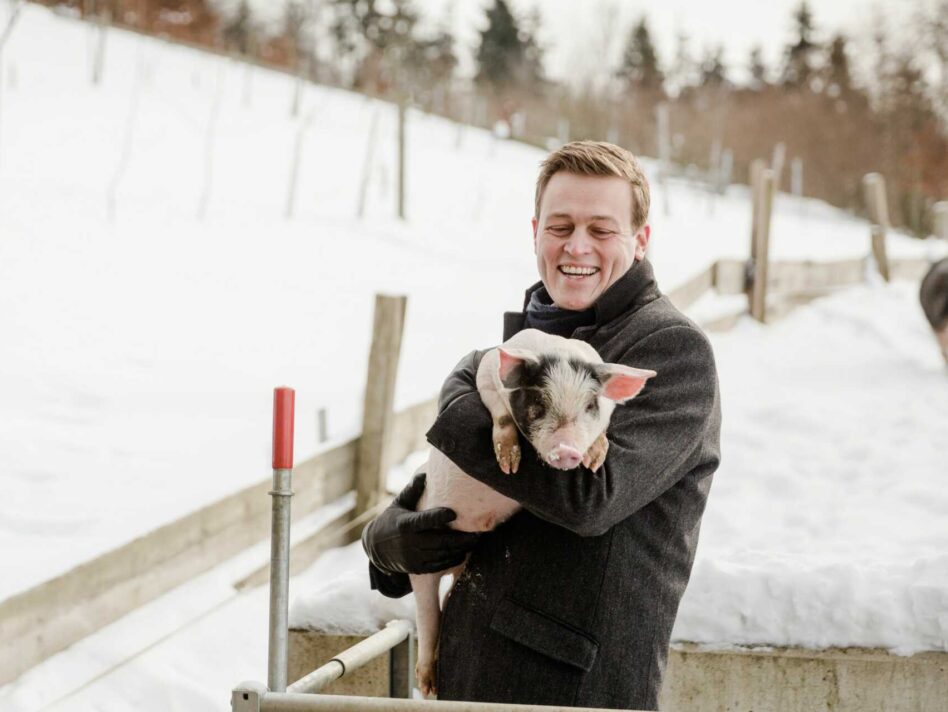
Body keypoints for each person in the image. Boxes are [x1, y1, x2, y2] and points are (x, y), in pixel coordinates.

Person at [362, 141, 721, 710]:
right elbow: (467, 484)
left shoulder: (669, 350)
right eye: (561, 226)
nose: (577, 247)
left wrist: (461, 395)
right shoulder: (524, 346)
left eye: (602, 230)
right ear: (535, 233)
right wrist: (391, 540)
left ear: (640, 239)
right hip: (469, 676)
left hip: (570, 691)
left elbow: (589, 497)